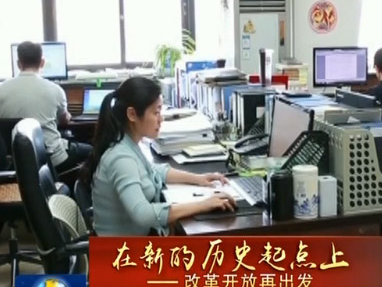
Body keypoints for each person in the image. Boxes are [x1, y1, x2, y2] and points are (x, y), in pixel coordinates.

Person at [82, 76, 236, 236]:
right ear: (132, 114)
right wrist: (203, 205)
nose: (161, 119)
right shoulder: (121, 158)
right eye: (156, 112)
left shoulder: (128, 145)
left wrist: (199, 179)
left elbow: (154, 172)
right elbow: (143, 214)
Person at [0, 41, 92, 173]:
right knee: (93, 151)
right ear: (42, 62)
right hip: (53, 159)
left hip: (17, 162)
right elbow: (64, 120)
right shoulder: (55, 90)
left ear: (19, 63)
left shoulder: (2, 89)